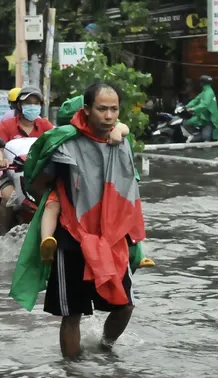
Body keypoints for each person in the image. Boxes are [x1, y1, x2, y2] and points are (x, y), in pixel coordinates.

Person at [9, 82, 147, 359]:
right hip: (72, 237)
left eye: (114, 109)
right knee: (72, 313)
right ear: (87, 109)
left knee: (126, 306)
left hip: (112, 237)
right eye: (102, 109)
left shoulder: (122, 142)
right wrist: (62, 200)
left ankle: (105, 348)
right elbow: (38, 180)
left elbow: (129, 187)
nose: (108, 116)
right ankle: (72, 375)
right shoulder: (66, 142)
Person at [0, 86, 52, 168]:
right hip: (12, 170)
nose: (32, 106)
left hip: (38, 171)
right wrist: (0, 160)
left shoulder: (45, 125)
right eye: (28, 103)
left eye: (36, 103)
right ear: (19, 105)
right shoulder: (6, 125)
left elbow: (54, 144)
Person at [185, 75, 218, 141]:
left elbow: (205, 104)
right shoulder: (204, 92)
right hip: (202, 116)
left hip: (209, 119)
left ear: (202, 83)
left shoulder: (208, 92)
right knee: (187, 123)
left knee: (205, 137)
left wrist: (194, 109)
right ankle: (193, 136)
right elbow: (196, 100)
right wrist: (186, 106)